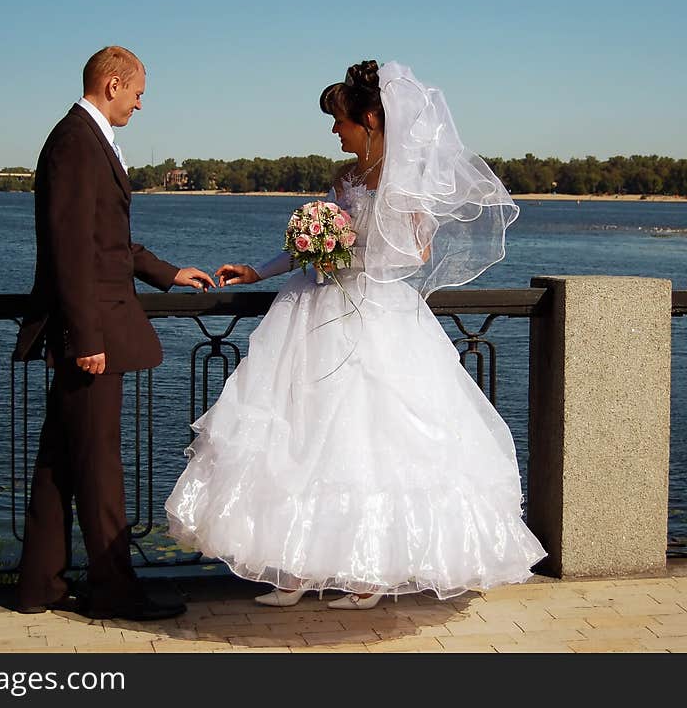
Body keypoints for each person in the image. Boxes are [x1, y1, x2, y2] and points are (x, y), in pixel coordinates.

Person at [165, 59, 547, 609]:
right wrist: (261, 270)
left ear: (370, 118)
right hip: (317, 311)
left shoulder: (405, 181)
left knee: (372, 445)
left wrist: (359, 244)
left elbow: (418, 253)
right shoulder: (342, 178)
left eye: (339, 120)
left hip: (379, 315)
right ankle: (292, 570)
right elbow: (308, 253)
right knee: (299, 438)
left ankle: (369, 577)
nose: (333, 130)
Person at [14, 46, 214, 621]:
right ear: (112, 83)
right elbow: (70, 248)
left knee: (58, 461)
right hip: (92, 333)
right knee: (100, 466)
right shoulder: (78, 141)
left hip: (92, 324)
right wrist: (87, 338)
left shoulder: (81, 138)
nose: (140, 103)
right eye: (137, 92)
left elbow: (106, 242)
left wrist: (167, 273)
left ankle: (39, 585)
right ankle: (114, 592)